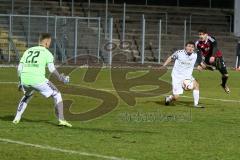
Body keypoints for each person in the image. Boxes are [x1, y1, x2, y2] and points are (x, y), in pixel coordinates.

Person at [13, 33, 72, 127]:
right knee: (57, 94)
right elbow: (51, 69)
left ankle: (16, 118)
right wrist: (61, 78)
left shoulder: (29, 50)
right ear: (47, 42)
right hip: (37, 79)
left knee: (27, 95)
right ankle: (62, 120)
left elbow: (20, 67)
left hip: (25, 79)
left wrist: (20, 81)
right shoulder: (47, 53)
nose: (50, 44)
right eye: (50, 42)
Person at [163, 41, 203, 108]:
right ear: (185, 47)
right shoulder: (179, 53)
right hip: (177, 77)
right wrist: (164, 65)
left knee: (196, 85)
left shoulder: (195, 55)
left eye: (192, 47)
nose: (190, 48)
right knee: (176, 97)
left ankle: (196, 104)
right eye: (189, 46)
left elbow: (201, 63)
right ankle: (169, 98)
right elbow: (171, 58)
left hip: (188, 76)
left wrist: (200, 66)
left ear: (194, 48)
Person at [195, 28, 230, 93]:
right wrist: (199, 64)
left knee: (226, 75)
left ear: (206, 35)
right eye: (199, 34)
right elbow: (198, 54)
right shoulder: (197, 43)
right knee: (201, 65)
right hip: (207, 58)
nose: (200, 36)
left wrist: (213, 56)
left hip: (218, 57)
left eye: (202, 34)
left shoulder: (211, 39)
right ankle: (210, 67)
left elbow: (215, 47)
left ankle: (223, 84)